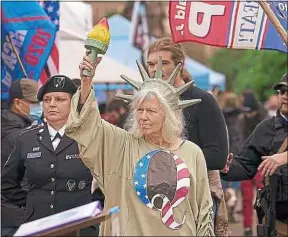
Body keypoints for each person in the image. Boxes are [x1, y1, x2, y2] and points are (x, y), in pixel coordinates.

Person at [65, 55, 214, 236]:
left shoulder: (192, 152)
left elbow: (204, 209)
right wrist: (87, 81)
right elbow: (89, 126)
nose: (143, 117)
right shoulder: (121, 146)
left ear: (169, 115)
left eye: (151, 111)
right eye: (139, 110)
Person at [145, 37, 229, 235]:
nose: (155, 69)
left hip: (196, 198)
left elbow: (217, 156)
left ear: (179, 66)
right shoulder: (144, 102)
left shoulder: (203, 100)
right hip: (154, 198)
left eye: (163, 63)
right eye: (150, 63)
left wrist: (169, 162)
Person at [1, 75, 98, 236]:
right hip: (39, 227)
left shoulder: (88, 138)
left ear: (72, 104)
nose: (52, 104)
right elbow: (7, 183)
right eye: (47, 100)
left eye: (60, 100)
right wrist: (34, 203)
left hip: (80, 227)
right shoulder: (26, 138)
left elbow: (109, 180)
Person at [221, 73, 288, 236]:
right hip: (279, 223)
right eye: (282, 92)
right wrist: (225, 167)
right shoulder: (266, 128)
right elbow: (246, 165)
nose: (284, 96)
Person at [1, 78, 39, 237]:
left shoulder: (10, 128)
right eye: (34, 102)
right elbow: (18, 183)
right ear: (17, 103)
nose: (39, 107)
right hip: (15, 217)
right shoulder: (18, 136)